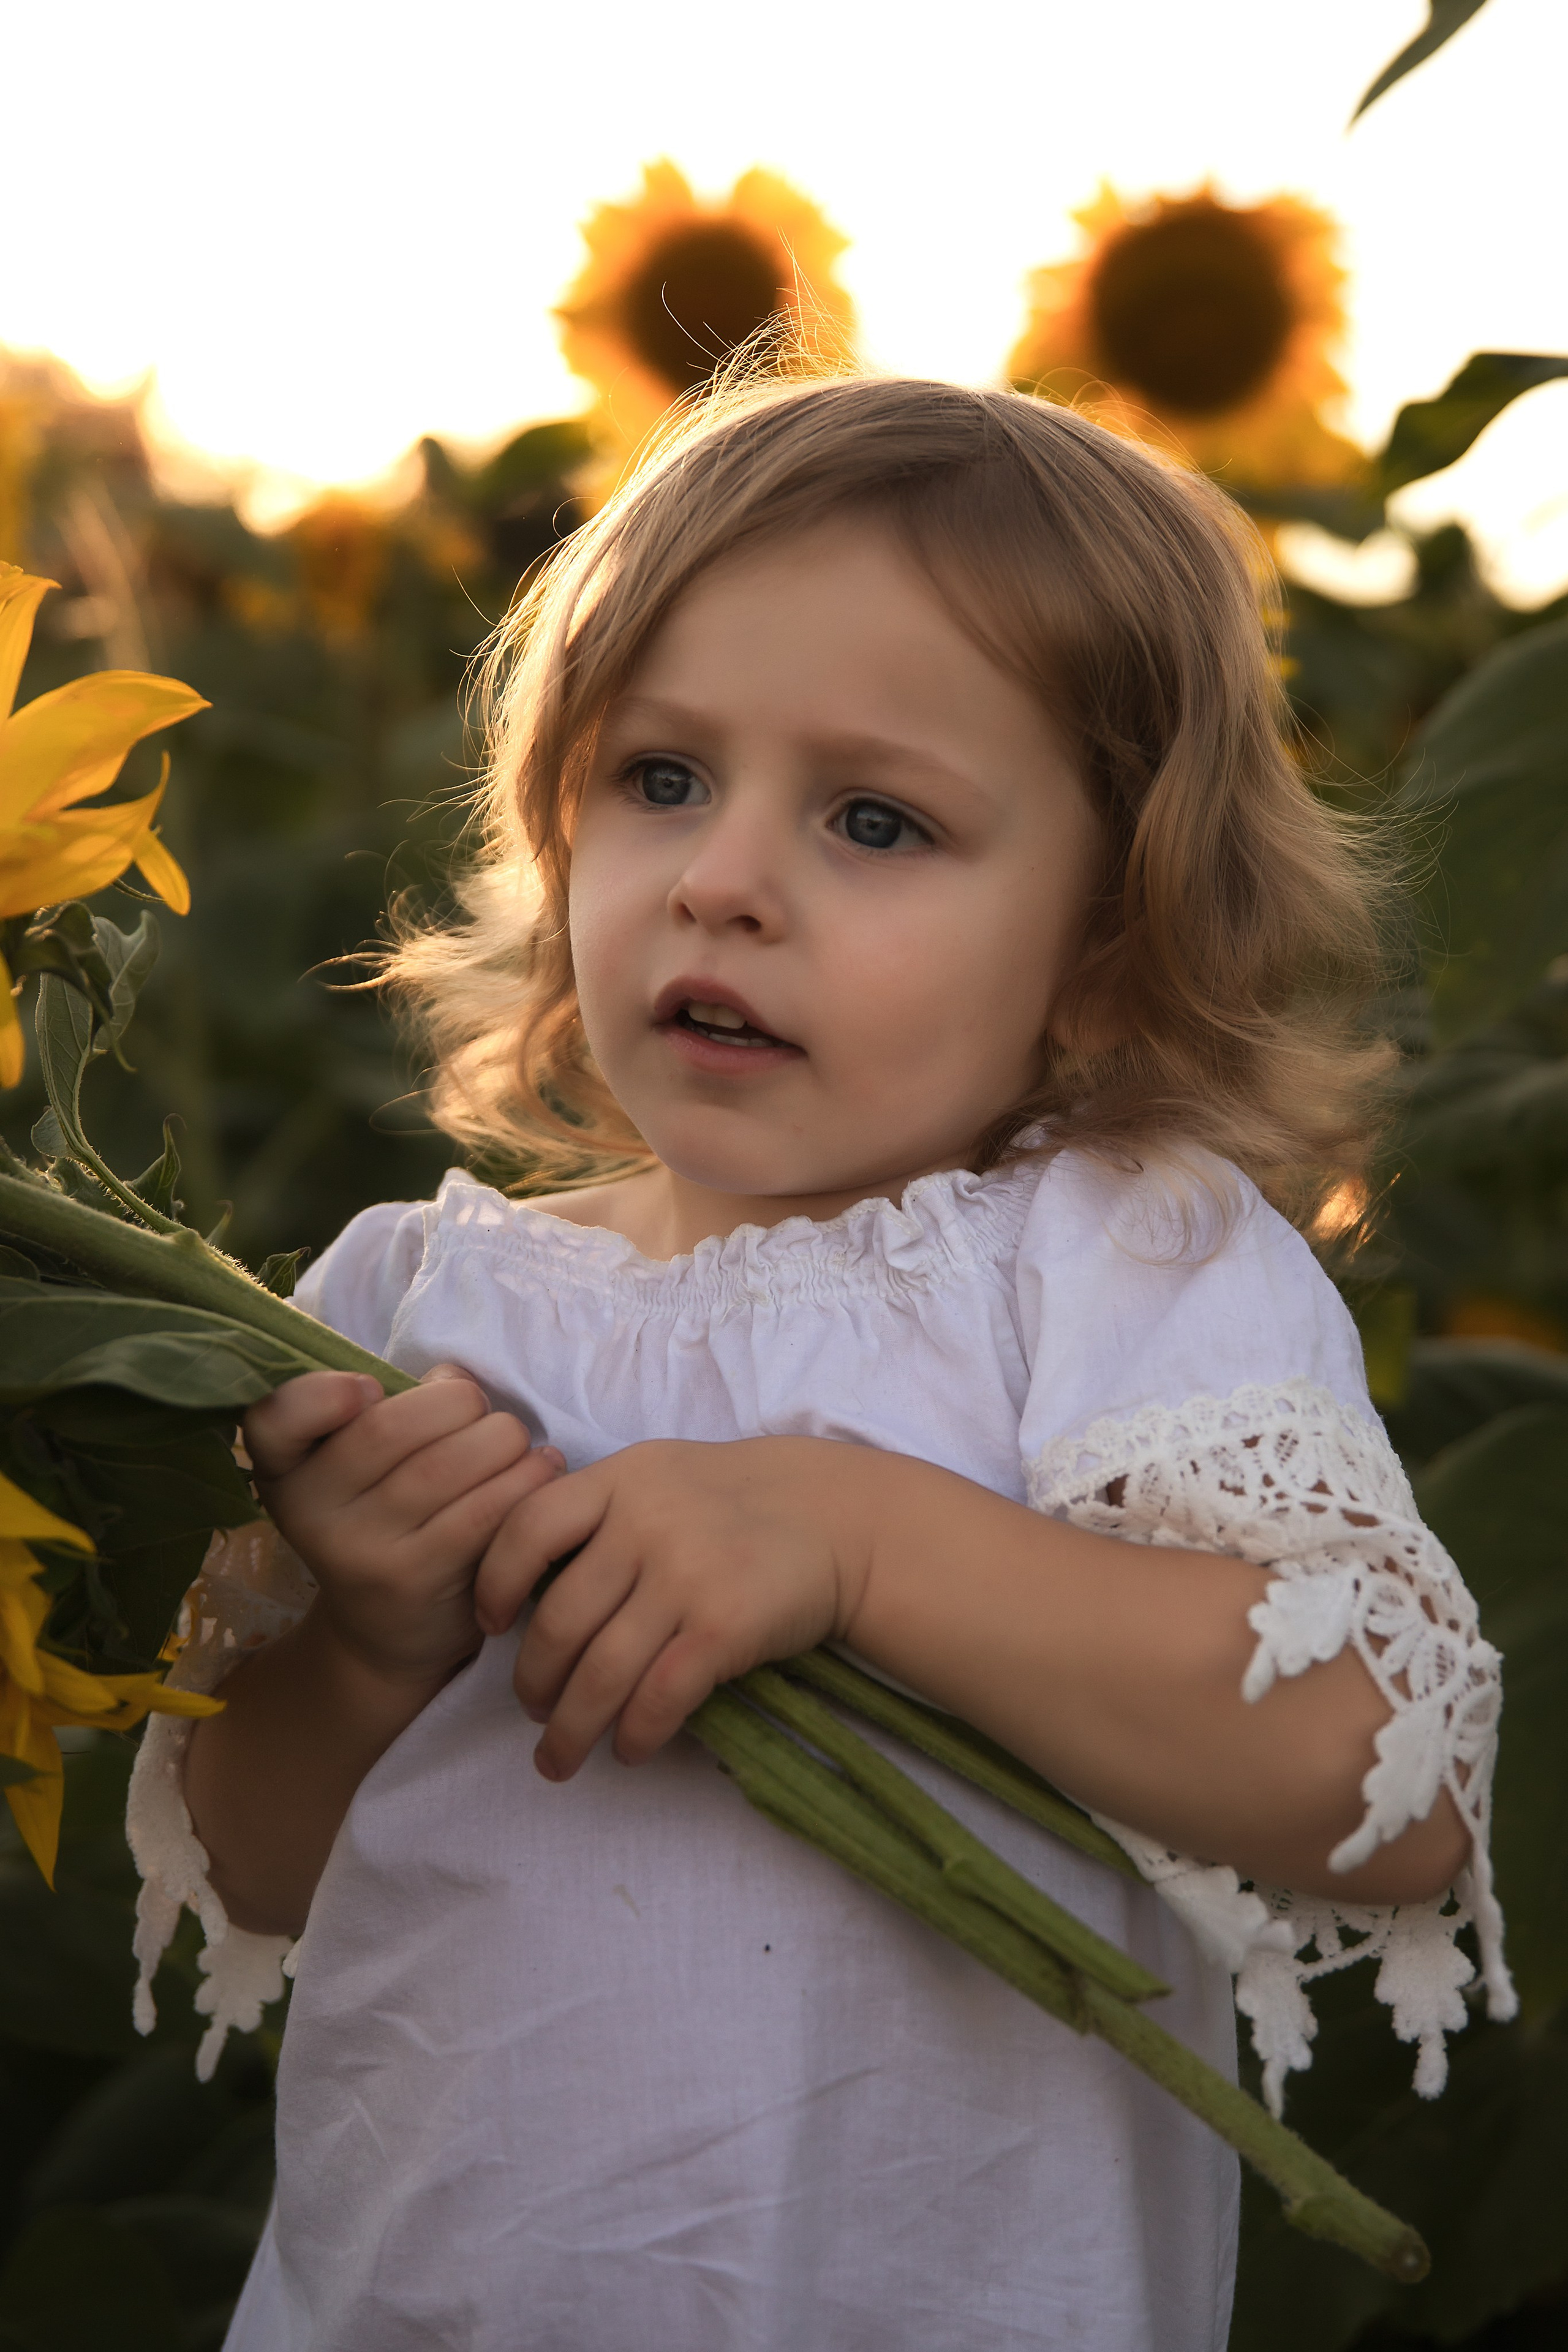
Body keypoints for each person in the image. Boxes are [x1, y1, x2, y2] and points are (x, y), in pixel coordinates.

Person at [127, 376, 1511, 2352]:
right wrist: (360, 1637)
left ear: (1108, 943)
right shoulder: (410, 1310)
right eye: (660, 777)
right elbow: (258, 1868)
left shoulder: (1113, 1253)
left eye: (876, 819)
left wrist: (863, 1540)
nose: (724, 878)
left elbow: (1378, 1777)